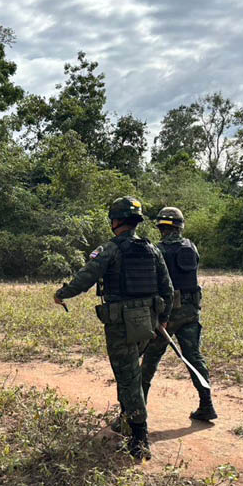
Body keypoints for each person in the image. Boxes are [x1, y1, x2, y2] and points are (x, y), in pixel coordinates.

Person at [53, 197, 173, 460]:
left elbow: (86, 277)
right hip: (148, 323)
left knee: (128, 377)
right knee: (129, 374)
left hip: (121, 323)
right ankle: (126, 420)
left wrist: (62, 293)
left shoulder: (110, 249)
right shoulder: (153, 249)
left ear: (116, 221)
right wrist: (162, 319)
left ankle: (140, 439)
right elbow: (168, 289)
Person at [140, 207, 217, 421]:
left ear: (162, 228)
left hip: (166, 313)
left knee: (150, 360)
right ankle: (207, 404)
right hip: (191, 311)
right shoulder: (190, 247)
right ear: (180, 226)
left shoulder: (156, 250)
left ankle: (137, 411)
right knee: (194, 358)